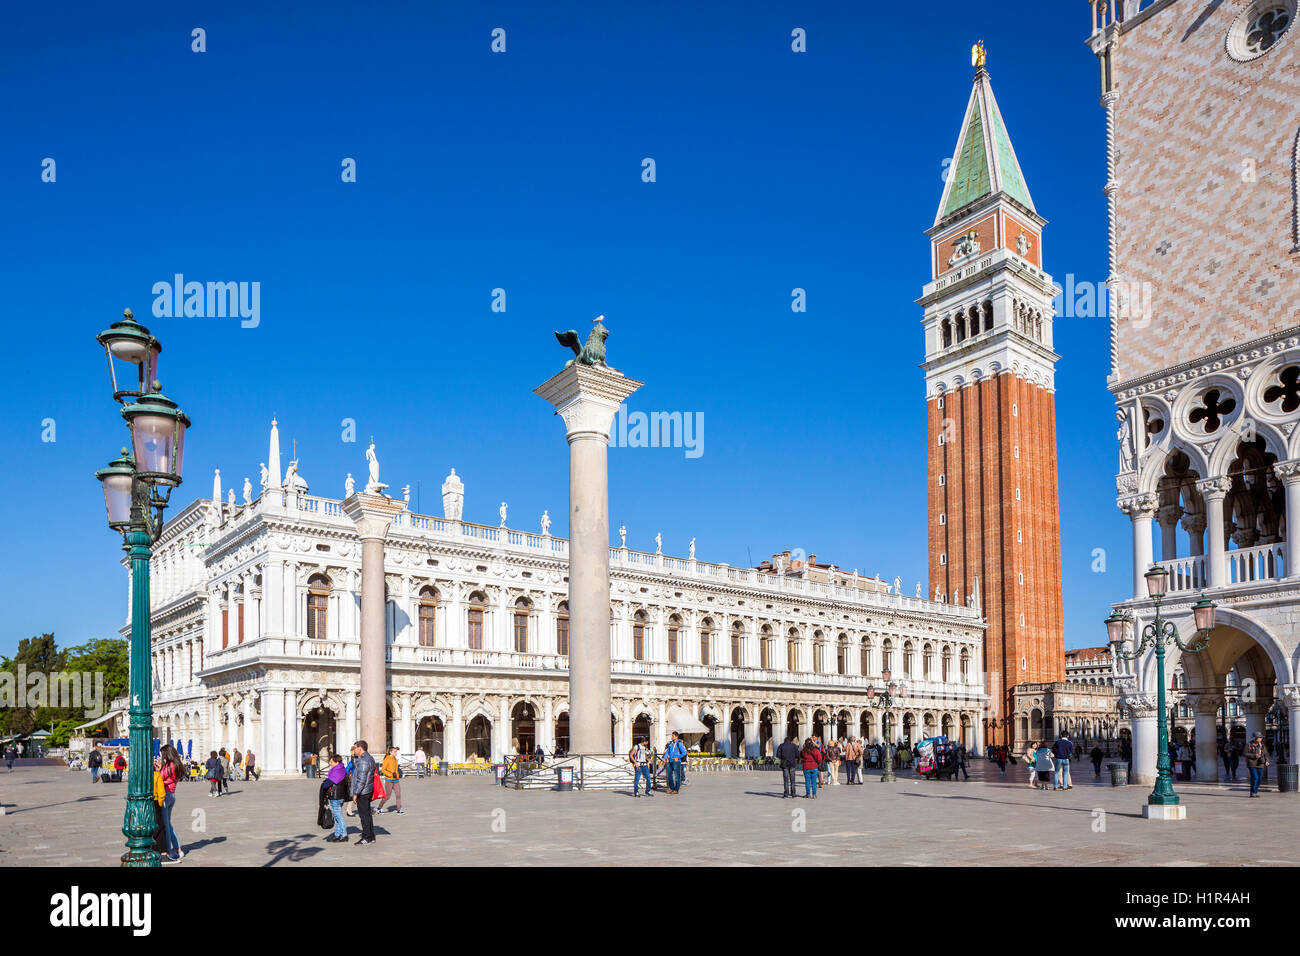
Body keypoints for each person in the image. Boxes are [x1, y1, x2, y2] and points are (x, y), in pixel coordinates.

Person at [156, 743, 185, 863]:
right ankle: (178, 849)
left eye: (163, 754)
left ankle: (168, 850)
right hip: (172, 795)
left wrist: (158, 769)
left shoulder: (170, 766)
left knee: (165, 826)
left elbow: (160, 778)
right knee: (168, 824)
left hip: (165, 796)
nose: (162, 756)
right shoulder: (177, 765)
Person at [349, 740, 377, 844]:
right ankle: (371, 836)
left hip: (363, 792)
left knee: (364, 816)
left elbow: (361, 780)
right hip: (367, 790)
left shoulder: (364, 760)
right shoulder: (366, 758)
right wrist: (353, 756)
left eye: (355, 748)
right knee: (367, 815)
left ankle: (366, 837)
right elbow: (357, 765)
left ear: (360, 748)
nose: (354, 750)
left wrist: (356, 793)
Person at [323, 754, 349, 842]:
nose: (330, 764)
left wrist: (324, 784)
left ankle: (344, 834)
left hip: (336, 796)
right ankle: (337, 834)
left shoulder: (337, 770)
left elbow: (329, 783)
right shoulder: (342, 769)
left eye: (331, 762)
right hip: (340, 796)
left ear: (337, 762)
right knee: (337, 816)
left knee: (339, 816)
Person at [375, 746, 403, 814]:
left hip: (396, 780)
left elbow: (396, 770)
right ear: (390, 752)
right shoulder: (387, 759)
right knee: (387, 796)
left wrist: (397, 775)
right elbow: (383, 770)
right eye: (394, 752)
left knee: (398, 795)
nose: (396, 753)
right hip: (389, 780)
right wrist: (390, 774)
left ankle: (399, 809)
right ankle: (379, 807)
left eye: (396, 751)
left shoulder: (395, 759)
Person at [1245, 731, 1269, 797]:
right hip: (1252, 764)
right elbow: (1245, 754)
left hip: (1260, 764)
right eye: (1260, 737)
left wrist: (1267, 761)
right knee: (1255, 778)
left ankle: (1255, 791)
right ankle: (1253, 792)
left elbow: (1266, 754)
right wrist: (1254, 756)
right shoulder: (1249, 745)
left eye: (1261, 737)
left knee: (1259, 779)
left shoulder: (1262, 746)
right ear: (1255, 738)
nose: (1261, 739)